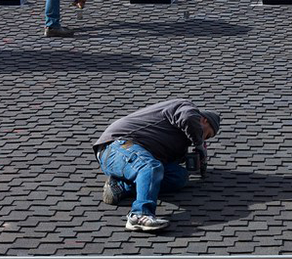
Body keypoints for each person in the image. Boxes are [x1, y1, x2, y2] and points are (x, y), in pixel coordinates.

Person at [93, 99, 222, 232]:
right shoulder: (185, 107)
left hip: (133, 156)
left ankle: (120, 186)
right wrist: (199, 144)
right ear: (204, 120)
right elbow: (188, 118)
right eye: (207, 135)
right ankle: (139, 215)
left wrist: (191, 159)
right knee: (150, 166)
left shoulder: (178, 142)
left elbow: (167, 163)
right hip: (116, 145)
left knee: (179, 176)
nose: (204, 139)